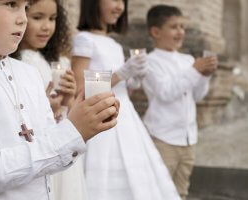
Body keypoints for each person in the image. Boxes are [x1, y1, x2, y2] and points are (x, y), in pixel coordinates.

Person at [0, 0, 119, 199]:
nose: (23, 19)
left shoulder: (28, 73)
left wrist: (81, 122)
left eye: (26, 8)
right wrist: (73, 131)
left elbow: (50, 158)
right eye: (11, 4)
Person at [71, 0, 180, 200]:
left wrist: (134, 79)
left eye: (123, 1)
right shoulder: (84, 40)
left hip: (126, 117)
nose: (120, 7)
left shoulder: (114, 44)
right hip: (101, 122)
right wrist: (122, 73)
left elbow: (120, 89)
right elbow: (81, 91)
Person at [142, 5, 218, 200]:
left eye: (182, 27)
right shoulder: (149, 62)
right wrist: (195, 70)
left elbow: (197, 96)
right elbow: (166, 92)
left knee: (181, 192)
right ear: (156, 31)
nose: (181, 32)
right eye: (174, 27)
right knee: (159, 190)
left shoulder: (187, 60)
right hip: (163, 138)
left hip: (188, 138)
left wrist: (204, 76)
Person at [13, 0, 87, 199]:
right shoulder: (16, 63)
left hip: (63, 146)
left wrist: (68, 98)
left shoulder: (60, 62)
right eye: (37, 18)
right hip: (40, 151)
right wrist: (44, 104)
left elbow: (67, 111)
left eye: (53, 19)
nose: (47, 26)